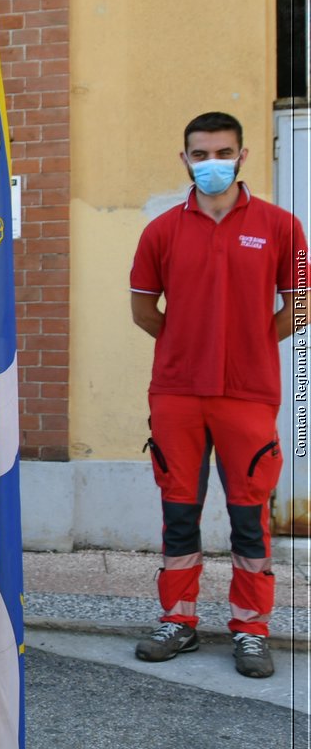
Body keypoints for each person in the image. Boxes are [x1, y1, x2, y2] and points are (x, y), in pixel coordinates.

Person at [129, 111, 307, 679]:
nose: (212, 164)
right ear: (184, 159)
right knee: (178, 513)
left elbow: (300, 306)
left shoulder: (283, 226)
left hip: (250, 397)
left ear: (243, 155)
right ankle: (177, 621)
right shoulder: (160, 230)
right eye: (200, 154)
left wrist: (250, 343)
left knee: (249, 518)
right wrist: (186, 345)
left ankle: (252, 631)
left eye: (222, 152)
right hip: (177, 396)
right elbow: (142, 309)